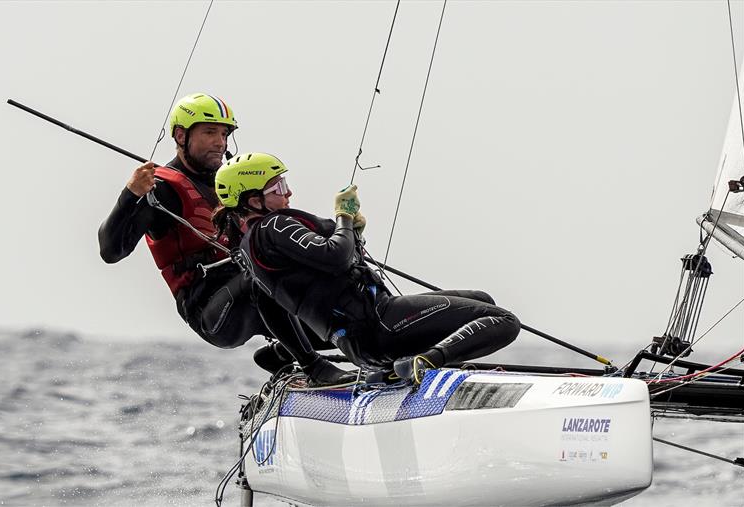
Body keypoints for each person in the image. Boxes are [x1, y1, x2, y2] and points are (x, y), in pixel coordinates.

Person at [98, 94, 347, 384]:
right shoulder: (163, 190)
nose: (220, 142)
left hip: (258, 298)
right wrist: (131, 194)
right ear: (181, 135)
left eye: (224, 133)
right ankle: (315, 369)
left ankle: (284, 354)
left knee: (340, 314)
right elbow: (110, 251)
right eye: (209, 132)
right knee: (261, 276)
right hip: (211, 312)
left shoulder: (231, 183)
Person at [214, 152, 521, 383]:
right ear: (253, 201)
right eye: (278, 188)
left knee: (483, 300)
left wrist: (353, 232)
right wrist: (344, 217)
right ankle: (424, 363)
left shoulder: (254, 249)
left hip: (360, 344)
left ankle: (406, 366)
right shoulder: (274, 226)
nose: (288, 193)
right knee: (505, 321)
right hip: (379, 324)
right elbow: (335, 255)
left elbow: (286, 293)